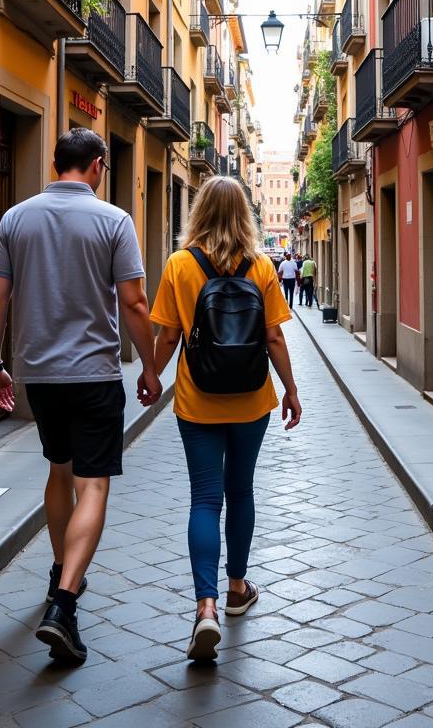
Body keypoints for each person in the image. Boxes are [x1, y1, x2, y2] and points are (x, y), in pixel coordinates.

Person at [0, 128, 162, 664]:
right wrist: (151, 366)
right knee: (94, 487)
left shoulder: (16, 218)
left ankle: (62, 573)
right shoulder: (114, 221)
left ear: (57, 163)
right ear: (99, 165)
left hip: (41, 377)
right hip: (95, 376)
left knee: (58, 473)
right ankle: (64, 603)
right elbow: (134, 303)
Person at [148, 177, 302, 661]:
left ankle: (205, 608)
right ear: (244, 215)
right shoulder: (260, 265)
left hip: (198, 401)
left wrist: (152, 375)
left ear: (198, 212)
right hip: (252, 400)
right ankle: (237, 588)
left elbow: (169, 336)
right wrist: (291, 390)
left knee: (205, 497)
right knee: (241, 492)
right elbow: (274, 337)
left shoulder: (179, 264)